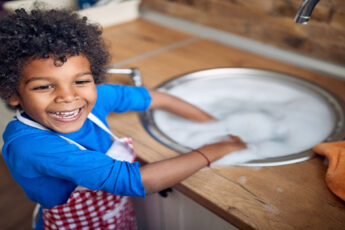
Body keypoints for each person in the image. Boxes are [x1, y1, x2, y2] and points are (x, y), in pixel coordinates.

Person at [0, 9, 246, 230]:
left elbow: (155, 98)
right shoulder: (31, 146)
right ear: (13, 94)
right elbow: (136, 181)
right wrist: (216, 149)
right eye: (44, 86)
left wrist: (213, 124)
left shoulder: (92, 100)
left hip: (114, 215)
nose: (68, 96)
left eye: (81, 81)